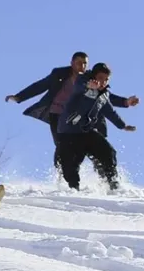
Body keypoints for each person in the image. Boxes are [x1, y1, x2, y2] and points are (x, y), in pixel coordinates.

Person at [5, 52, 139, 170]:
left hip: (83, 119)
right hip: (58, 114)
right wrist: (19, 97)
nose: (82, 66)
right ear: (72, 63)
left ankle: (102, 173)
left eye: (85, 63)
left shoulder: (91, 78)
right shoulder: (60, 74)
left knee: (95, 145)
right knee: (62, 144)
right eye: (78, 63)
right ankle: (61, 173)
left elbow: (106, 98)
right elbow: (40, 86)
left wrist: (125, 102)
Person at [56, 63, 136, 191]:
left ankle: (113, 184)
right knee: (71, 162)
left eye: (106, 79)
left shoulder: (104, 95)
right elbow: (79, 86)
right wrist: (88, 85)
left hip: (86, 131)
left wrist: (123, 126)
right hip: (69, 131)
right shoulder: (82, 81)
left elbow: (110, 112)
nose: (103, 81)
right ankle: (73, 188)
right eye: (100, 77)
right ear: (94, 75)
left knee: (108, 152)